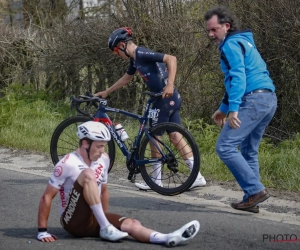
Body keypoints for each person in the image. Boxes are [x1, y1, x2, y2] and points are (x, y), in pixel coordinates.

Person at [37, 121, 200, 246]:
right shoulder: (67, 163)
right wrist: (42, 231)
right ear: (85, 143)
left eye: (104, 147)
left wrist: (104, 220)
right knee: (88, 175)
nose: (102, 151)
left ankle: (167, 238)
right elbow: (47, 197)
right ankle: (106, 227)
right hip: (72, 221)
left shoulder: (104, 159)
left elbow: (104, 192)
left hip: (94, 219)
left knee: (132, 224)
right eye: (99, 146)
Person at [94, 27, 206, 190]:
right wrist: (107, 91)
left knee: (155, 138)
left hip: (164, 98)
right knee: (175, 136)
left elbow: (171, 59)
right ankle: (197, 176)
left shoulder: (141, 53)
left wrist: (170, 84)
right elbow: (127, 78)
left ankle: (155, 180)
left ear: (123, 45)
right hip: (170, 98)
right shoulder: (134, 60)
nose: (117, 55)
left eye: (116, 51)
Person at [204, 6, 277, 213]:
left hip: (253, 100)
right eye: (208, 30)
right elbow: (234, 80)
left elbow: (238, 77)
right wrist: (223, 108)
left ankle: (255, 190)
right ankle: (251, 199)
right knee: (248, 151)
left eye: (214, 30)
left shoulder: (230, 45)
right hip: (268, 99)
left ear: (226, 26)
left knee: (225, 146)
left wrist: (233, 110)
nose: (210, 34)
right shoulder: (243, 41)